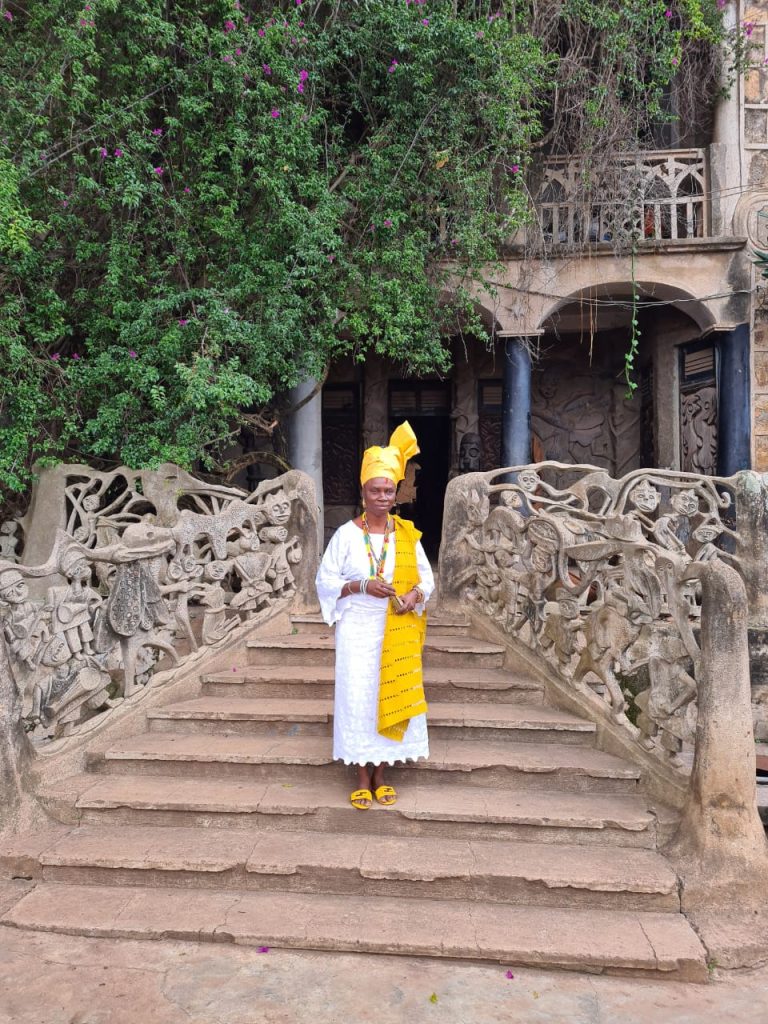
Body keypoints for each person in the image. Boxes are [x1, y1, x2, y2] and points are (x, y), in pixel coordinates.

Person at [315, 421, 435, 810]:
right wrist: (361, 586)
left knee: (390, 695)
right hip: (357, 632)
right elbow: (325, 581)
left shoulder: (407, 535)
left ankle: (382, 774)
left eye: (388, 490)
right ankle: (361, 777)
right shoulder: (346, 535)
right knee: (359, 701)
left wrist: (413, 596)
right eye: (375, 490)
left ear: (395, 493)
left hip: (396, 628)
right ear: (363, 492)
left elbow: (426, 580)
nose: (382, 497)